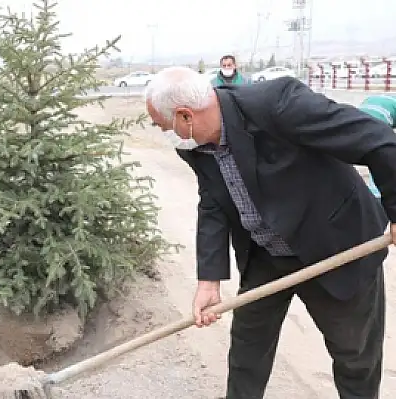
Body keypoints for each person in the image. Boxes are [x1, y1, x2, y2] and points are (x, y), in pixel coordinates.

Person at [145, 66, 394, 398]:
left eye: (163, 126)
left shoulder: (278, 104)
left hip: (334, 245)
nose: (164, 133)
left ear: (185, 116)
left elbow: (378, 140)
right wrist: (209, 279)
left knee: (355, 357)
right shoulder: (193, 143)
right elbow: (213, 202)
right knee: (248, 350)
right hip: (266, 252)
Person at [357, 94, 396, 198]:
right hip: (376, 127)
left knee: (376, 160)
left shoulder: (383, 98)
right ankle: (377, 193)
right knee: (384, 163)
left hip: (356, 122)